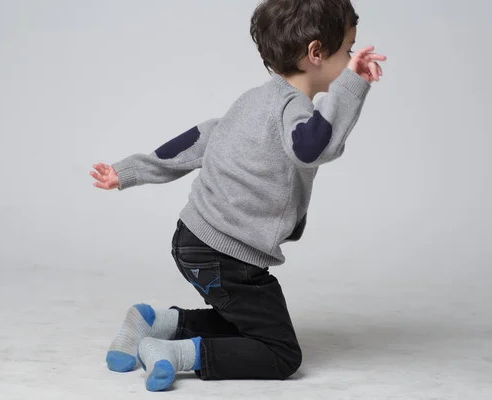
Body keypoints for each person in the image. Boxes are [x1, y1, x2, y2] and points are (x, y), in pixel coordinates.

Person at [90, 0, 385, 392]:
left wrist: (126, 171)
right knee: (280, 351)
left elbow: (195, 141)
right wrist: (353, 84)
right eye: (347, 50)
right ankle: (173, 353)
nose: (350, 58)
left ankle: (151, 321)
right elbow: (313, 146)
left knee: (243, 321)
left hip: (194, 239)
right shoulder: (292, 111)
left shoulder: (253, 100)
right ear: (316, 53)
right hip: (226, 254)